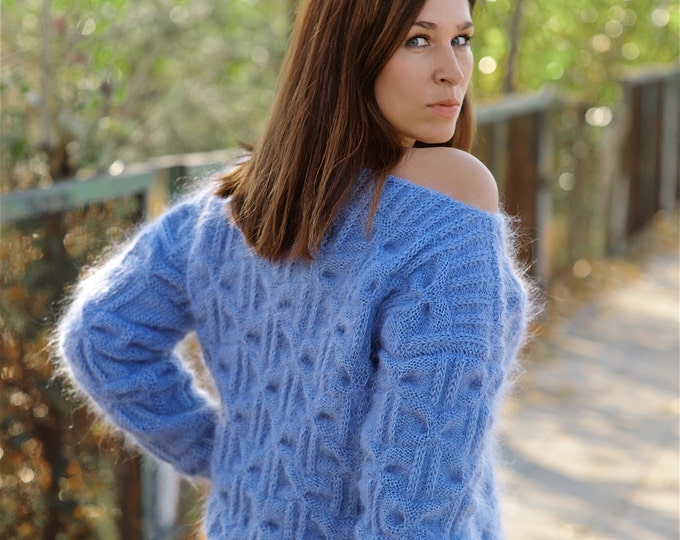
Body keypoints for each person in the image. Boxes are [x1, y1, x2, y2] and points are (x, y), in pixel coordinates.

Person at [56, 0, 530, 537]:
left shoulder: (230, 206)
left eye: (461, 39)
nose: (453, 70)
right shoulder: (450, 199)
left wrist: (229, 461)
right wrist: (215, 454)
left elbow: (99, 336)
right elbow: (416, 512)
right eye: (417, 40)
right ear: (348, 52)